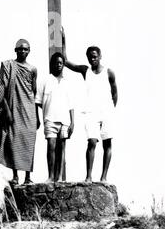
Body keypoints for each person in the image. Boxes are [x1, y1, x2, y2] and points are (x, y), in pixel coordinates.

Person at [0, 39, 40, 186]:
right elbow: (2, 91)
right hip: (14, 108)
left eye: (25, 49)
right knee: (13, 141)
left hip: (29, 110)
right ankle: (15, 176)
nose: (22, 51)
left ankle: (28, 177)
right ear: (15, 50)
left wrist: (37, 116)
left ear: (29, 51)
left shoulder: (33, 69)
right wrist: (7, 110)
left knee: (28, 143)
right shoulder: (8, 66)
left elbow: (34, 92)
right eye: (20, 49)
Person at [62, 29, 118, 183]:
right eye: (89, 57)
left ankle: (104, 177)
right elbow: (66, 62)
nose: (92, 59)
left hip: (106, 111)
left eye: (95, 57)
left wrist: (111, 110)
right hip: (90, 112)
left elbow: (115, 93)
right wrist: (64, 41)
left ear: (100, 56)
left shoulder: (109, 72)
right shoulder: (86, 71)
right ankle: (88, 176)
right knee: (92, 142)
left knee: (107, 143)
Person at [35, 52, 74, 183]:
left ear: (63, 65)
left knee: (62, 148)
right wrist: (44, 114)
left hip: (65, 120)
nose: (58, 65)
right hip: (50, 119)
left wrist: (72, 122)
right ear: (52, 64)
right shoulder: (45, 80)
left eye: (60, 63)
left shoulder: (67, 83)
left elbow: (71, 105)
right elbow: (38, 101)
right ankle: (51, 176)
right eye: (56, 63)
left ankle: (59, 177)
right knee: (51, 146)